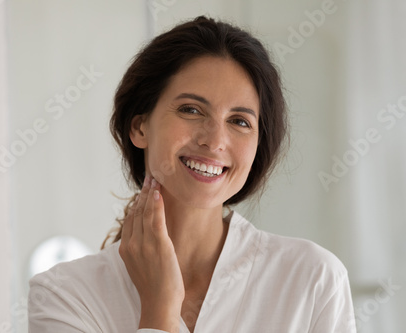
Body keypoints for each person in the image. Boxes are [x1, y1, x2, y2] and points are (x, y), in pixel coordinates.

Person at [28, 16, 356, 333]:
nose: (214, 140)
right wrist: (159, 310)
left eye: (240, 121)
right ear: (140, 126)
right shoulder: (65, 297)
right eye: (191, 109)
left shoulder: (313, 280)